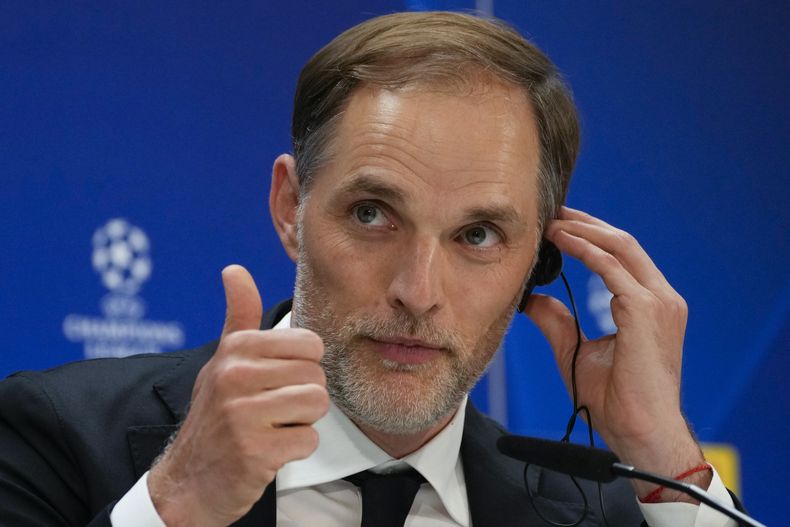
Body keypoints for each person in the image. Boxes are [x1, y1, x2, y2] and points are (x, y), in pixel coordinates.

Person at [0, 11, 741, 527]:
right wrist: (177, 504)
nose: (418, 292)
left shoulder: (599, 508)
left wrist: (665, 458)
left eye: (477, 234)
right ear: (291, 207)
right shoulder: (62, 436)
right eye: (372, 214)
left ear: (541, 263)